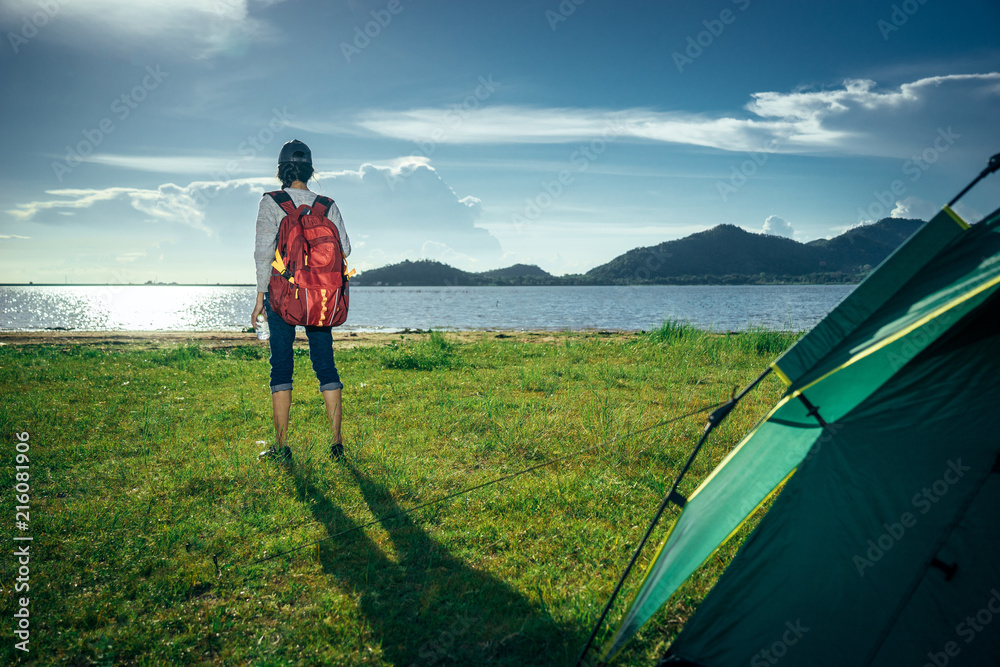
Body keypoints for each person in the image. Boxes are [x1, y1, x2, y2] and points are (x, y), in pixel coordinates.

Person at [250, 139, 351, 462]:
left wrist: (259, 297)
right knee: (325, 363)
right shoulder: (327, 204)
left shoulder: (272, 202)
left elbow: (264, 253)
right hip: (320, 297)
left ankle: (281, 447)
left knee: (281, 365)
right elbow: (344, 248)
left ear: (281, 169)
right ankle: (336, 443)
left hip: (283, 298)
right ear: (310, 170)